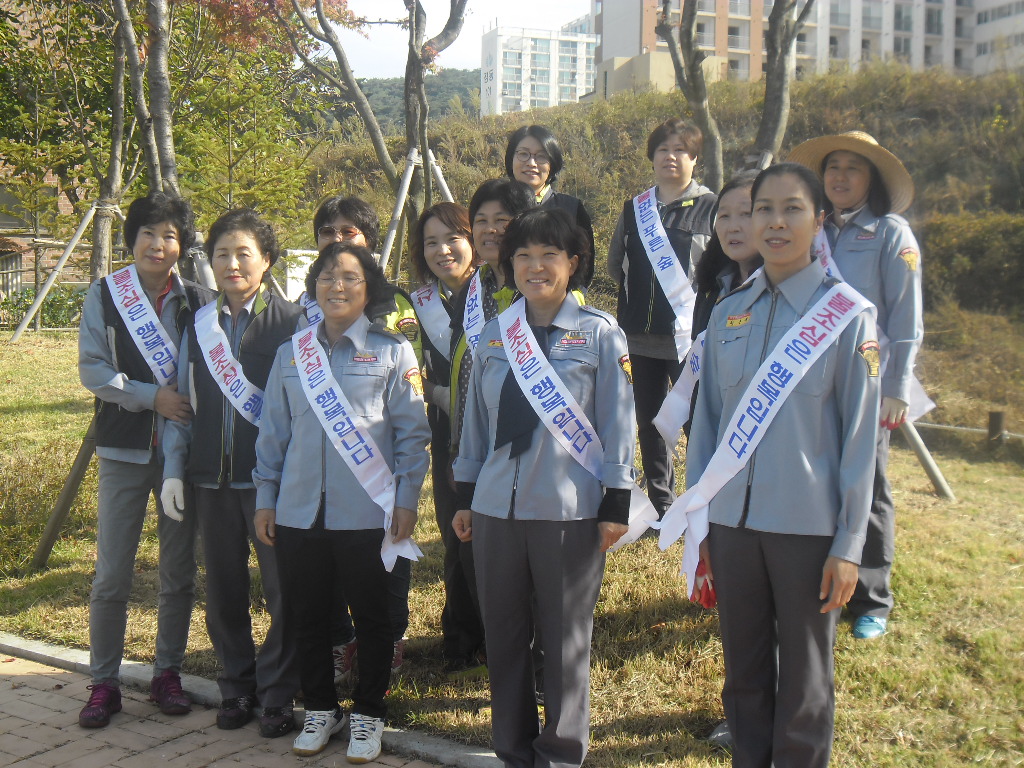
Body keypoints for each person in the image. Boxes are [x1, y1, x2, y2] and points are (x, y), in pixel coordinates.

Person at [685, 163, 879, 767]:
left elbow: (860, 441)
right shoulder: (728, 312)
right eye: (761, 209)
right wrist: (701, 520)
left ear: (818, 221)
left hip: (807, 532)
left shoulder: (846, 316)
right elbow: (707, 426)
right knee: (743, 675)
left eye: (791, 208)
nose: (773, 222)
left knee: (804, 681)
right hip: (733, 527)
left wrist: (849, 545)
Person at [452, 208, 634, 768]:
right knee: (504, 638)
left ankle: (559, 754)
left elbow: (618, 423)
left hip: (568, 512)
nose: (536, 266)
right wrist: (465, 496)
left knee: (563, 641)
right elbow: (475, 425)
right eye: (523, 256)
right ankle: (511, 750)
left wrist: (617, 500)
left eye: (549, 255)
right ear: (509, 265)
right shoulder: (494, 335)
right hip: (495, 510)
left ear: (572, 263)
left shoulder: (600, 333)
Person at [254, 241, 430, 761]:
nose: (338, 286)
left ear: (368, 289)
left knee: (373, 618)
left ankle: (369, 713)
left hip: (368, 512)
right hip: (298, 510)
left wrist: (407, 499)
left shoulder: (393, 351)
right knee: (307, 615)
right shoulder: (291, 354)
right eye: (327, 277)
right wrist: (266, 497)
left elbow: (412, 436)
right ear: (313, 288)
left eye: (351, 277)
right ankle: (321, 708)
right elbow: (273, 435)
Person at [160, 208, 303, 737]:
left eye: (244, 253)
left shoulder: (292, 323)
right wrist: (175, 469)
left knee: (284, 591)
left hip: (271, 483)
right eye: (222, 254)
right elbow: (183, 403)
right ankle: (236, 687)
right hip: (210, 480)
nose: (232, 263)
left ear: (267, 261)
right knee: (223, 591)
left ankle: (278, 692)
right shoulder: (199, 326)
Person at [77, 192, 214, 728]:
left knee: (178, 571)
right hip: (124, 450)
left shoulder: (199, 301)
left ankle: (167, 674)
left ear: (182, 245)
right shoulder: (106, 295)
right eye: (148, 233)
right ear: (132, 239)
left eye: (170, 235)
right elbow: (93, 370)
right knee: (112, 573)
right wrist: (150, 395)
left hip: (183, 455)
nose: (158, 244)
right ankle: (103, 684)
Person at [788, 131, 923, 640]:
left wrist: (898, 387)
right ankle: (823, 580)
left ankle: (872, 598)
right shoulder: (812, 228)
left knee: (870, 487)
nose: (840, 177)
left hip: (869, 384)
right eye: (833, 167)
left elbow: (906, 318)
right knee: (818, 479)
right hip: (810, 379)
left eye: (853, 168)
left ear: (873, 179)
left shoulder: (890, 233)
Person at [307, 194, 421, 682]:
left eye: (349, 231)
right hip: (320, 465)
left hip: (381, 459)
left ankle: (388, 640)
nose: (337, 239)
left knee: (388, 551)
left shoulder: (395, 305)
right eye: (327, 232)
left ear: (370, 241)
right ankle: (339, 641)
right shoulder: (304, 308)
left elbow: (412, 383)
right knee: (326, 560)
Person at [608, 118, 717, 519]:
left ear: (695, 158)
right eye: (663, 149)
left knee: (696, 421)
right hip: (639, 337)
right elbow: (615, 265)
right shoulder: (634, 208)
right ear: (652, 156)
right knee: (650, 423)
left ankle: (705, 500)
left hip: (690, 339)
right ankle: (662, 505)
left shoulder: (713, 207)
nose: (671, 157)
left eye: (681, 150)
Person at [407, 202, 485, 674]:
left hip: (495, 436)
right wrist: (439, 395)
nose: (442, 251)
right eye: (431, 242)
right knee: (455, 536)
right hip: (448, 436)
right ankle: (460, 638)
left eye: (452, 238)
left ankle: (501, 634)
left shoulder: (496, 293)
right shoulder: (415, 304)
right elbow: (409, 370)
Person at [504, 125, 595, 266]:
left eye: (541, 156)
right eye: (523, 154)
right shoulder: (496, 203)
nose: (531, 163)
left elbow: (585, 265)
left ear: (552, 164)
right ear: (511, 159)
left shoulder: (571, 208)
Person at [691, 170, 763, 338]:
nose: (733, 227)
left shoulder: (783, 290)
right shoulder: (712, 287)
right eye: (724, 216)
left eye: (746, 214)